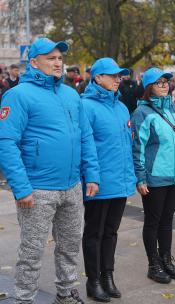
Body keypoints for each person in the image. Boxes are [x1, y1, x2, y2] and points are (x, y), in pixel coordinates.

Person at [0, 37, 100, 304]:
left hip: (71, 187)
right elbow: (6, 143)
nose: (58, 63)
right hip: (37, 189)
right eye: (51, 58)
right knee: (31, 252)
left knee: (69, 246)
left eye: (59, 58)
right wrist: (21, 188)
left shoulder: (70, 93)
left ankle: (66, 293)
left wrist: (91, 174)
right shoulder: (18, 95)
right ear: (33, 62)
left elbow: (85, 135)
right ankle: (24, 299)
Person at [81, 57, 136, 302]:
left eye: (119, 76)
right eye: (112, 76)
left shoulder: (122, 107)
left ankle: (108, 276)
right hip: (99, 183)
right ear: (97, 78)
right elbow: (87, 147)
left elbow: (127, 144)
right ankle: (93, 281)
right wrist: (93, 177)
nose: (118, 79)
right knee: (94, 232)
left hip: (120, 181)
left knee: (111, 232)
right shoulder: (86, 106)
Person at [132, 67, 175, 284]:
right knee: (153, 221)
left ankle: (166, 260)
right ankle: (153, 264)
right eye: (159, 83)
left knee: (167, 221)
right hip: (155, 177)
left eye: (166, 81)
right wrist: (140, 177)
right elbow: (138, 148)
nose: (165, 85)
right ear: (149, 88)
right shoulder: (142, 113)